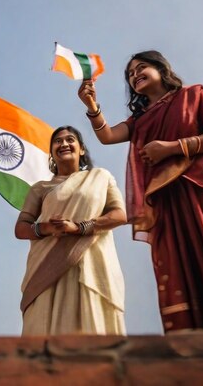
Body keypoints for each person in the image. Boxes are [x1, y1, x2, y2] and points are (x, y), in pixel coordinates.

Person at [78, 50, 203, 332]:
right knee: (183, 266)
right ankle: (202, 343)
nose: (134, 75)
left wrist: (172, 147)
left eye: (141, 68)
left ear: (161, 69)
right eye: (130, 74)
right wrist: (92, 105)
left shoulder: (194, 95)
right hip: (166, 203)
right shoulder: (139, 121)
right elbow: (107, 136)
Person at [15, 126, 127, 335]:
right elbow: (21, 228)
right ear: (51, 153)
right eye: (57, 141)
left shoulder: (100, 177)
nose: (64, 144)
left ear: (81, 149)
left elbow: (120, 215)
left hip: (91, 264)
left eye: (70, 139)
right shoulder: (39, 188)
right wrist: (46, 228)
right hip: (46, 267)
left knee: (92, 326)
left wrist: (80, 227)